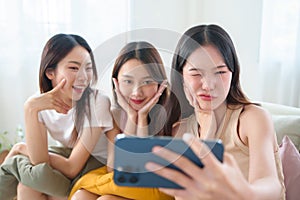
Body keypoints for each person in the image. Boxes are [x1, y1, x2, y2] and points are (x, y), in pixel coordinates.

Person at [145, 24, 286, 199]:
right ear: (181, 76)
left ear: (233, 74)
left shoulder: (252, 119)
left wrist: (242, 193)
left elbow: (271, 186)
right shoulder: (178, 131)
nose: (208, 85)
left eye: (219, 72)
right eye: (196, 74)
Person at [0, 33, 118, 200]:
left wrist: (21, 148)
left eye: (88, 68)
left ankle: (12, 165)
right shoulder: (39, 103)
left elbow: (72, 168)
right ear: (50, 73)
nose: (83, 77)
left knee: (19, 164)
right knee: (26, 186)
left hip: (94, 164)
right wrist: (30, 109)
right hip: (66, 156)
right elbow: (39, 162)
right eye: (74, 68)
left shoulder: (97, 101)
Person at [69, 41, 179, 200]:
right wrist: (133, 117)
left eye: (147, 82)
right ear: (117, 83)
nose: (137, 92)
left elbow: (145, 171)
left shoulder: (172, 114)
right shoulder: (115, 115)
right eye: (128, 81)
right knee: (80, 196)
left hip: (156, 186)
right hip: (126, 181)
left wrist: (142, 119)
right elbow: (114, 169)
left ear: (160, 83)